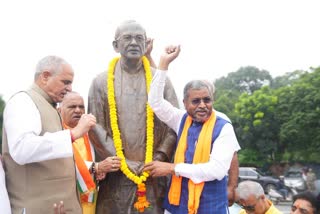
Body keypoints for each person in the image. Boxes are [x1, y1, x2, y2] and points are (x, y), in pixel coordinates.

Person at [87, 20, 179, 213]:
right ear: (116, 45)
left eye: (139, 38)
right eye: (127, 38)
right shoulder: (100, 82)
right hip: (115, 176)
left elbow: (175, 124)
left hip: (152, 174)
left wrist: (159, 157)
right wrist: (121, 161)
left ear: (146, 44)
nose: (134, 43)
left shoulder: (160, 80)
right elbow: (96, 127)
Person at [144, 45, 241, 213]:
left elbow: (216, 170)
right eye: (196, 101)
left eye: (207, 100)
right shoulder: (181, 119)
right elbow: (155, 102)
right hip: (178, 203)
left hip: (209, 206)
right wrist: (163, 65)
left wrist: (172, 168)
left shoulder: (223, 126)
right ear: (185, 103)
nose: (202, 105)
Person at [2, 55, 96, 214]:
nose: (70, 88)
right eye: (65, 82)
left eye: (71, 83)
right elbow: (22, 149)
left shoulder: (50, 105)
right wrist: (72, 134)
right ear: (45, 77)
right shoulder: (23, 101)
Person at [58, 91, 121, 214]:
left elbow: (96, 160)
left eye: (81, 107)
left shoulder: (90, 132)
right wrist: (96, 167)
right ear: (59, 110)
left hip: (90, 200)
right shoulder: (56, 133)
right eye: (72, 106)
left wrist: (101, 171)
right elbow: (64, 164)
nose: (78, 110)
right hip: (67, 200)